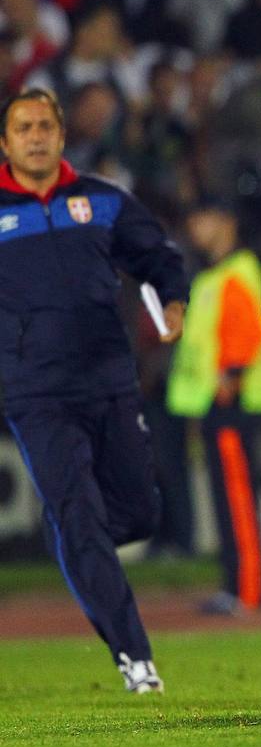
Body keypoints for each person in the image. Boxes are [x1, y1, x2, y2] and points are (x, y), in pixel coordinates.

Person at [0, 87, 187, 693]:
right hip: (36, 393)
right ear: (5, 142)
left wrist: (174, 300)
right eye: (23, 127)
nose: (35, 136)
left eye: (45, 125)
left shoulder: (101, 201)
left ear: (61, 135)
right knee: (76, 515)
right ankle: (135, 657)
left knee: (137, 513)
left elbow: (158, 256)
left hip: (110, 381)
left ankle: (80, 544)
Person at [165, 202, 261, 616]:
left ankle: (247, 590)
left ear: (227, 221)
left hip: (234, 401)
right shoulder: (216, 274)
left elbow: (247, 334)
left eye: (204, 217)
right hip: (217, 403)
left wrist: (229, 381)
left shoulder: (237, 270)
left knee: (237, 497)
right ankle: (236, 586)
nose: (196, 227)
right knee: (227, 497)